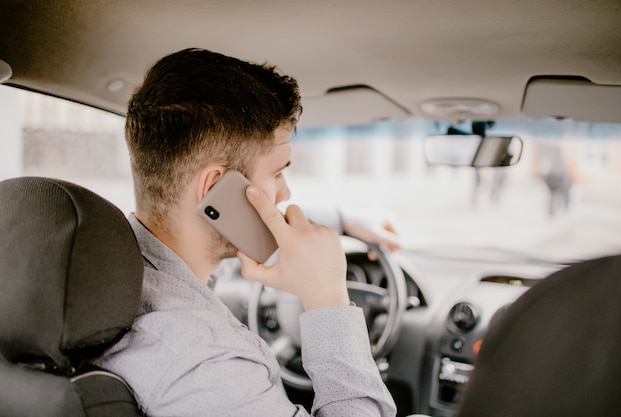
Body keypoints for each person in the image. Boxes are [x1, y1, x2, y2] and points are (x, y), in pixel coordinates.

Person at [93, 48, 398, 417]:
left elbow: (258, 212)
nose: (285, 193)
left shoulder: (116, 270)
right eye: (276, 173)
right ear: (215, 191)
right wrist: (327, 298)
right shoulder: (204, 361)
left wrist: (341, 219)